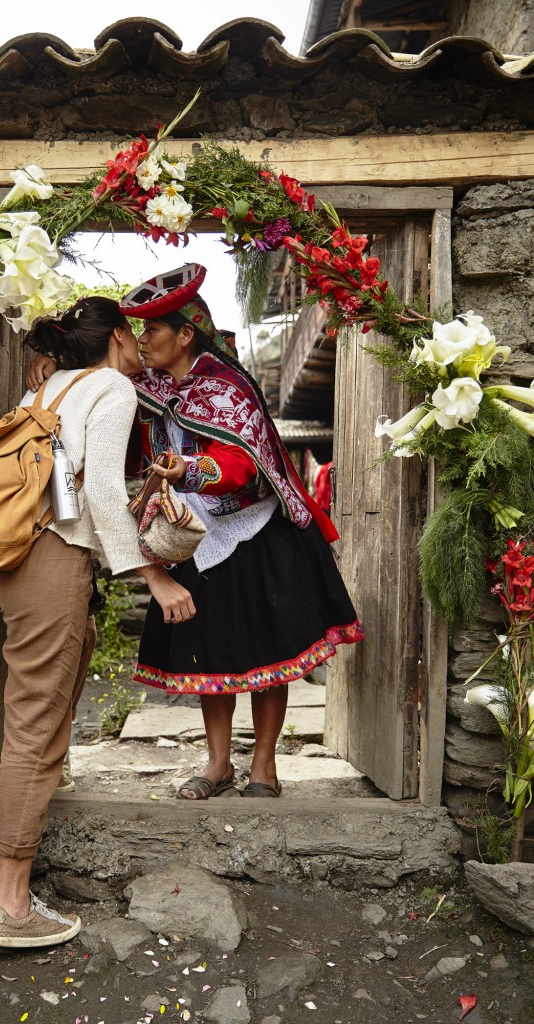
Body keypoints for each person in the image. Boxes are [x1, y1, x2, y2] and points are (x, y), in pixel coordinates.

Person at [0, 296, 196, 949]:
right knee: (35, 721)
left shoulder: (51, 387)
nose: (142, 346)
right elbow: (95, 490)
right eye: (138, 334)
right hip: (47, 556)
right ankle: (11, 906)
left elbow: (67, 485)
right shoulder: (110, 385)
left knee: (79, 651)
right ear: (121, 338)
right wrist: (154, 576)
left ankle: (50, 776)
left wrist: (134, 502)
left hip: (10, 555)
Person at [119, 264, 363, 800]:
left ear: (185, 334)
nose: (145, 339)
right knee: (212, 653)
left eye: (154, 329)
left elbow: (241, 463)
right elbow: (137, 444)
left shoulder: (228, 388)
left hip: (254, 534)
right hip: (194, 534)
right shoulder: (151, 389)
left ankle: (265, 767)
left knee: (268, 655)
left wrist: (192, 469)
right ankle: (217, 764)